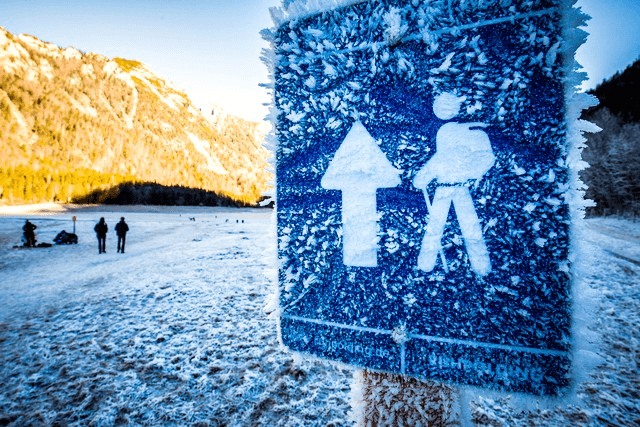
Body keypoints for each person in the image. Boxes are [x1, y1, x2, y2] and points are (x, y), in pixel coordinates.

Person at [413, 92, 495, 276]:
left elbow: (440, 160)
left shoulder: (448, 132)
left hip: (448, 188)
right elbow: (442, 160)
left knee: (439, 226)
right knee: (468, 226)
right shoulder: (457, 131)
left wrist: (423, 177)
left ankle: (427, 263)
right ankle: (480, 267)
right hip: (456, 187)